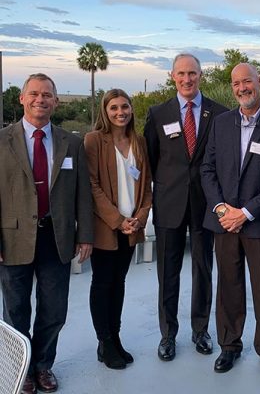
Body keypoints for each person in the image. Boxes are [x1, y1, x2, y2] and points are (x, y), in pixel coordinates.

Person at [0, 73, 93, 394]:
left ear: (55, 101)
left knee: (54, 308)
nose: (41, 99)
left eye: (48, 95)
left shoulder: (72, 143)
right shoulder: (2, 141)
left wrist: (86, 235)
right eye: (35, 94)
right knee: (15, 309)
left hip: (57, 237)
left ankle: (42, 366)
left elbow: (83, 194)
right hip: (12, 239)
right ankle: (20, 369)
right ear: (22, 99)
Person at [200, 63, 260, 377]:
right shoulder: (221, 124)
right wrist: (222, 210)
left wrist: (247, 212)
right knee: (228, 285)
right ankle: (229, 346)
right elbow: (207, 170)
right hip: (225, 222)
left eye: (248, 81)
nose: (242, 88)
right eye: (237, 83)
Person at [144, 53, 228, 361]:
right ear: (172, 76)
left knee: (203, 269)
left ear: (200, 75)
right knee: (168, 274)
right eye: (181, 74)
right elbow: (151, 161)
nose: (187, 79)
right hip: (169, 205)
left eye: (192, 73)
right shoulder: (157, 113)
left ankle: (201, 330)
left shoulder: (219, 114)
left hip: (206, 205)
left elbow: (222, 161)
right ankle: (168, 334)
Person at [84, 89, 152, 370]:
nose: (120, 112)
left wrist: (139, 217)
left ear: (132, 110)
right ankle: (104, 342)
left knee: (119, 283)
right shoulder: (93, 141)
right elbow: (92, 186)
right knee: (102, 284)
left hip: (131, 228)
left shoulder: (139, 141)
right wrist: (117, 220)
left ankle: (115, 337)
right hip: (106, 227)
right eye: (114, 108)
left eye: (125, 106)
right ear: (105, 111)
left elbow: (146, 186)